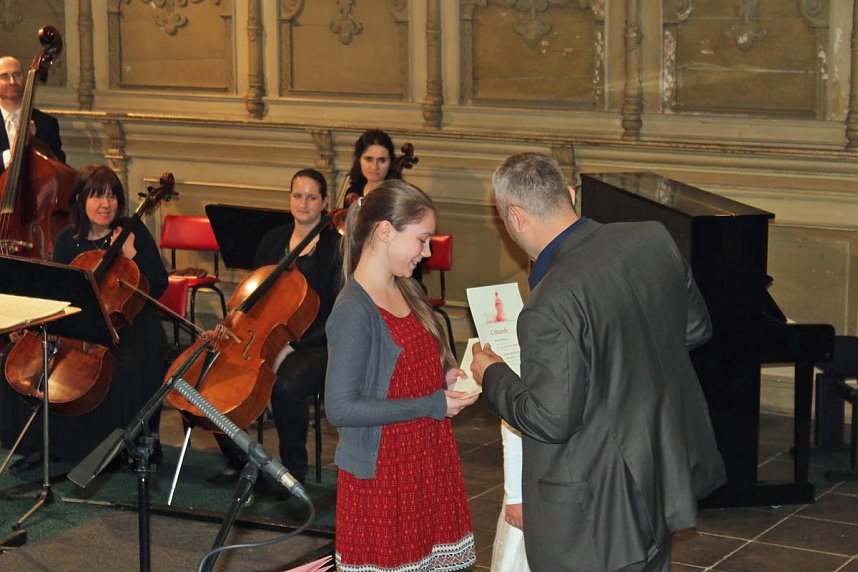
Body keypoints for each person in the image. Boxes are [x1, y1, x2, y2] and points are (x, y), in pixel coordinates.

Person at [470, 153, 726, 572]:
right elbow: (696, 329)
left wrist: (491, 373)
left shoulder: (549, 304)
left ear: (513, 216)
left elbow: (551, 419)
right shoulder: (651, 239)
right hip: (659, 474)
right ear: (570, 195)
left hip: (594, 516)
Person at [325, 179, 478, 571]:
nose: (426, 252)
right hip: (383, 474)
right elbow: (341, 408)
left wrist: (445, 377)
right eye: (422, 239)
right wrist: (432, 403)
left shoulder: (408, 289)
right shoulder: (354, 310)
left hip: (425, 456)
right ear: (385, 231)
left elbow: (411, 365)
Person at [1, 164, 167, 468]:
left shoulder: (132, 231)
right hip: (82, 326)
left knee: (125, 368)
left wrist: (133, 258)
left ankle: (121, 445)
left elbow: (158, 284)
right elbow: (57, 294)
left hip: (130, 323)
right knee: (23, 360)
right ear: (80, 199)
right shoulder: (68, 239)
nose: (106, 204)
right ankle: (47, 443)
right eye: (97, 196)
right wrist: (30, 326)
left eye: (112, 196)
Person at [208, 168, 342, 486]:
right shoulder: (274, 240)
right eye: (297, 196)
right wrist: (231, 325)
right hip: (266, 335)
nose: (304, 203)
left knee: (285, 385)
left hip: (318, 342)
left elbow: (338, 314)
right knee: (214, 374)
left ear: (324, 202)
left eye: (312, 197)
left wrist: (290, 346)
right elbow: (252, 294)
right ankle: (239, 458)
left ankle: (292, 471)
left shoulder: (335, 248)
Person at [0, 55, 65, 172]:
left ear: (24, 79)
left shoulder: (47, 123)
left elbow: (59, 167)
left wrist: (35, 145)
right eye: (4, 76)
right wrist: (11, 154)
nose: (12, 81)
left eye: (16, 75)